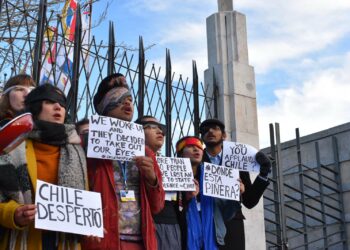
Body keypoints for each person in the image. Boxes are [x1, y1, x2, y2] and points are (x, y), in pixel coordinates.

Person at [0, 83, 88, 249]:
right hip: (22, 240)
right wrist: (13, 213)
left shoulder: (77, 150)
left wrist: (89, 226)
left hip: (63, 243)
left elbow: (83, 200)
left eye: (62, 104)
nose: (58, 106)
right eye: (49, 101)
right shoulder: (11, 145)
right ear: (34, 107)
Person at [82, 74, 165, 250]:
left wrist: (152, 179)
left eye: (129, 99)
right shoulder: (88, 145)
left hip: (142, 243)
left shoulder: (146, 153)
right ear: (105, 105)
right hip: (102, 241)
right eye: (119, 99)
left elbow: (157, 206)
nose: (127, 104)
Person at [199, 118, 271, 250]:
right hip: (204, 221)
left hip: (233, 224)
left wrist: (263, 174)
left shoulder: (237, 161)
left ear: (224, 135)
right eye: (205, 129)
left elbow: (249, 201)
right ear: (201, 137)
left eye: (215, 128)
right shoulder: (196, 160)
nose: (210, 131)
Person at [135, 115, 182, 250]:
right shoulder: (129, 162)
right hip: (143, 226)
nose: (160, 132)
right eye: (150, 127)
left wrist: (188, 196)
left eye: (161, 129)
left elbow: (177, 202)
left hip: (170, 226)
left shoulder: (172, 165)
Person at [176, 136, 218, 250]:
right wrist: (187, 198)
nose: (196, 149)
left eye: (199, 147)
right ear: (180, 153)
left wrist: (238, 192)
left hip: (213, 236)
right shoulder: (172, 176)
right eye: (190, 146)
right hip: (183, 234)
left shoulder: (214, 176)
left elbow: (226, 209)